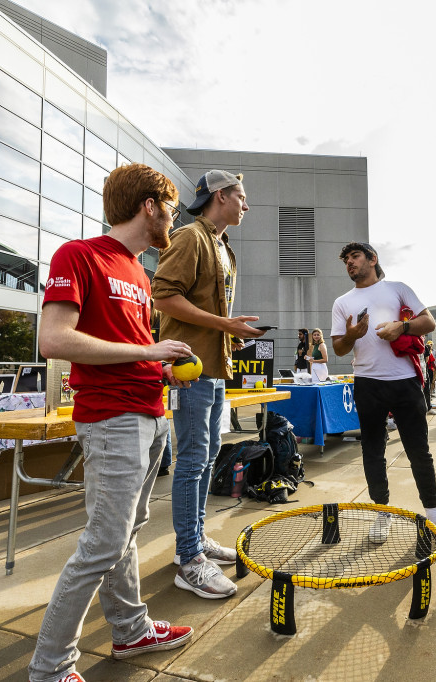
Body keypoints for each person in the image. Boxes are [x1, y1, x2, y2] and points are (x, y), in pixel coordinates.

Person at [28, 163, 195, 682]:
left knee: (128, 532)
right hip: (111, 417)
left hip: (150, 410)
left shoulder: (138, 271)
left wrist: (159, 366)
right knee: (104, 541)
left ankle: (130, 628)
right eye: (169, 206)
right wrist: (149, 348)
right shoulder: (78, 254)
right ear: (150, 205)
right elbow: (53, 340)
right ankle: (50, 668)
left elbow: (122, 348)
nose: (172, 217)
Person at [152, 169, 265, 600]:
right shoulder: (188, 237)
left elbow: (202, 306)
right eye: (241, 196)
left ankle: (195, 541)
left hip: (214, 367)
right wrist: (223, 323)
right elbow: (162, 297)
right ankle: (188, 559)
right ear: (220, 196)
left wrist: (229, 333)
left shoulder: (222, 247)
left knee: (208, 453)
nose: (246, 205)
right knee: (193, 458)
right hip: (188, 369)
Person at [330, 242, 436, 546]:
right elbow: (338, 347)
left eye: (355, 257)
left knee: (419, 450)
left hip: (404, 381)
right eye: (346, 260)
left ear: (373, 259)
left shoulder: (397, 288)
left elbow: (428, 322)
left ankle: (434, 514)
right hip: (367, 382)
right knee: (373, 450)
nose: (350, 263)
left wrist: (401, 328)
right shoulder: (342, 302)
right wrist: (351, 335)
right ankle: (382, 512)